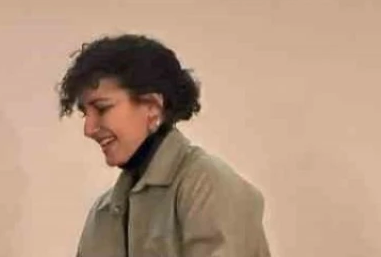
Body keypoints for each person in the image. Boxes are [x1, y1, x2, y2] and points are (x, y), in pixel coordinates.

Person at [58, 34, 271, 257]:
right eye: (85, 114)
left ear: (152, 106)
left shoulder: (209, 187)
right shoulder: (101, 214)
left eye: (102, 108)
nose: (89, 129)